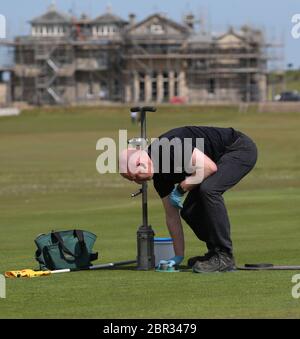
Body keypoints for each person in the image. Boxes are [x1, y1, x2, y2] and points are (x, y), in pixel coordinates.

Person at [119, 126, 258, 273]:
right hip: (216, 160)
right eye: (132, 179)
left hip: (238, 148)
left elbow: (209, 168)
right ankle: (215, 254)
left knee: (209, 190)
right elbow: (172, 216)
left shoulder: (168, 148)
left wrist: (181, 189)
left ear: (141, 162)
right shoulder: (159, 178)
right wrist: (178, 256)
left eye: (136, 176)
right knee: (189, 211)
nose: (138, 182)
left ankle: (224, 256)